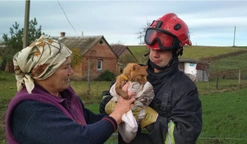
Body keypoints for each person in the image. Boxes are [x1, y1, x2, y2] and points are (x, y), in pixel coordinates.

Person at [5, 35, 136, 144]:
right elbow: (81, 139)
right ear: (44, 72)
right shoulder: (30, 109)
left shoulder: (65, 96)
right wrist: (117, 114)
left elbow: (89, 120)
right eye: (65, 67)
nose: (71, 72)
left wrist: (126, 115)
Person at [100, 13, 202, 144]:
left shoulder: (185, 88)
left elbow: (184, 136)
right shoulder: (134, 73)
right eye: (152, 48)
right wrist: (115, 103)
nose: (155, 54)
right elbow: (104, 100)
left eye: (162, 50)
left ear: (177, 50)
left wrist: (146, 116)